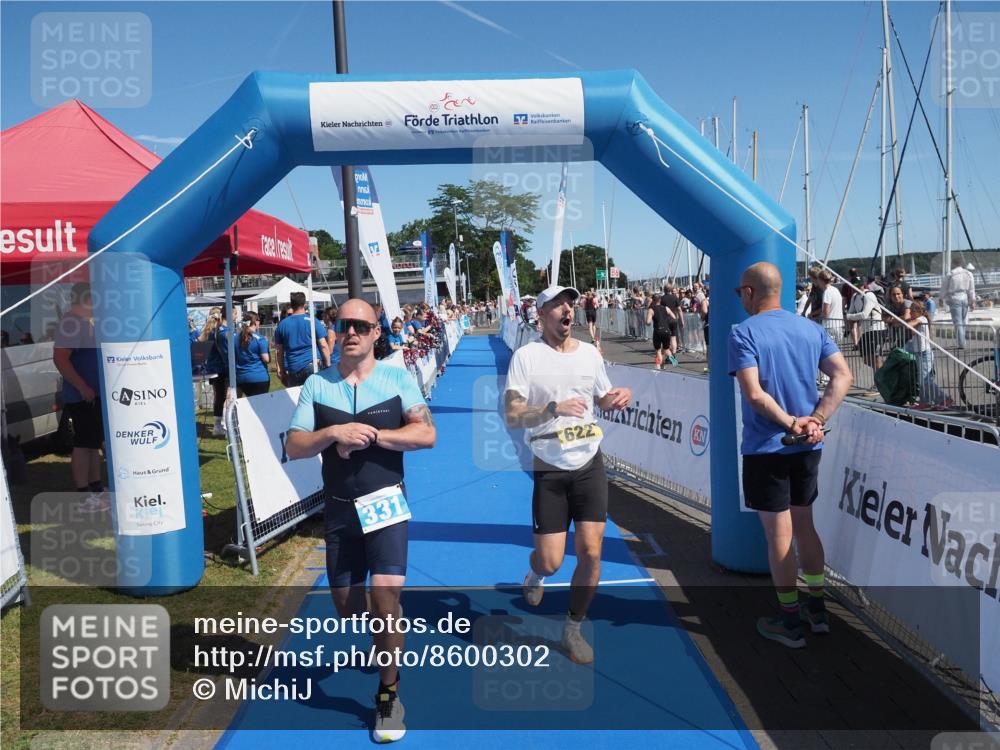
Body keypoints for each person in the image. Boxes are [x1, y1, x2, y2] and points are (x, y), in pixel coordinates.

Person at [285, 299, 435, 743]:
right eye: (343, 324)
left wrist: (373, 436)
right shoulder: (317, 384)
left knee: (383, 601)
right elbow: (294, 445)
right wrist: (333, 433)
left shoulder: (396, 378)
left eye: (360, 325)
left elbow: (427, 433)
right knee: (350, 609)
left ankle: (388, 695)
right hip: (339, 509)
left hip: (386, 504)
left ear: (375, 334)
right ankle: (388, 620)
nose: (351, 331)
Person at [504, 285, 632, 663]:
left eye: (570, 303)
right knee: (551, 561)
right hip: (550, 467)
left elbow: (602, 398)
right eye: (558, 304)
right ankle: (535, 575)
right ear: (541, 314)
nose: (567, 309)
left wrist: (617, 397)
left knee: (592, 552)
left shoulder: (590, 354)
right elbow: (513, 414)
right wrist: (552, 409)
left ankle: (573, 630)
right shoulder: (527, 357)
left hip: (589, 462)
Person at [728, 262, 853, 648]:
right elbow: (843, 376)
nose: (739, 298)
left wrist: (790, 424)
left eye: (738, 292)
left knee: (779, 536)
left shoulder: (742, 332)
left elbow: (754, 394)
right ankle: (817, 610)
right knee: (805, 527)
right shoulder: (810, 329)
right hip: (807, 446)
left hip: (770, 447)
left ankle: (789, 621)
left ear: (749, 291)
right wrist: (813, 419)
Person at [53, 282, 108, 512]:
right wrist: (82, 387)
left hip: (91, 395)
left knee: (92, 443)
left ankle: (95, 489)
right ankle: (84, 496)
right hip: (82, 396)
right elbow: (60, 358)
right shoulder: (71, 323)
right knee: (84, 444)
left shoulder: (83, 323)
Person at [274, 292, 331, 386]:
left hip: (293, 368)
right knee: (315, 398)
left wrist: (280, 370)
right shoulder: (312, 321)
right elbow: (323, 345)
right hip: (312, 365)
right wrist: (328, 365)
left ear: (292, 305)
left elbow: (279, 351)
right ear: (305, 305)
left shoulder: (282, 325)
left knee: (298, 398)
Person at [905, 301, 951, 410]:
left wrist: (906, 316)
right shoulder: (918, 321)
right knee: (923, 381)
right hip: (920, 353)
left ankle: (945, 398)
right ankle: (925, 401)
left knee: (925, 381)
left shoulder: (921, 319)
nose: (910, 312)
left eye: (912, 311)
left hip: (925, 354)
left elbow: (909, 325)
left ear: (918, 311)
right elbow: (912, 331)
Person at [196, 306, 229, 436]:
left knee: (219, 397)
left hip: (212, 369)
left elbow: (198, 344)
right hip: (221, 368)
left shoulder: (207, 332)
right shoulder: (218, 332)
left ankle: (217, 425)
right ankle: (223, 426)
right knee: (225, 397)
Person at [845, 280, 886, 372]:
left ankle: (879, 382)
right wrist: (850, 316)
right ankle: (883, 372)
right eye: (855, 286)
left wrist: (849, 317)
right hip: (866, 331)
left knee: (876, 359)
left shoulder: (869, 295)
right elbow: (851, 311)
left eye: (860, 285)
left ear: (863, 286)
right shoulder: (854, 297)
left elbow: (864, 314)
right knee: (866, 360)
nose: (858, 288)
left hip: (877, 329)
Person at [941, 257, 975, 350]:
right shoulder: (968, 273)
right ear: (962, 264)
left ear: (953, 263)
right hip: (964, 298)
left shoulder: (950, 274)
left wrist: (942, 298)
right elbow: (971, 290)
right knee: (963, 321)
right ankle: (962, 341)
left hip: (954, 298)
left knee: (958, 322)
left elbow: (944, 289)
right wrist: (972, 301)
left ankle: (961, 343)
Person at [235, 312, 271, 397]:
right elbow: (266, 359)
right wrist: (267, 347)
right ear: (255, 322)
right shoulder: (260, 339)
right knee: (260, 408)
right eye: (259, 320)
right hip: (258, 377)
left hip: (242, 378)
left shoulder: (235, 338)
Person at [646, 293, 677, 369]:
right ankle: (671, 357)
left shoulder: (651, 309)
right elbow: (674, 317)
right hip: (666, 330)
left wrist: (647, 322)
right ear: (660, 300)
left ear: (653, 300)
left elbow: (648, 322)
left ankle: (658, 368)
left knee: (658, 351)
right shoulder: (666, 308)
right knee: (666, 349)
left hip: (658, 331)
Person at [816, 269, 844, 343]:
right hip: (839, 325)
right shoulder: (836, 290)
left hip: (829, 326)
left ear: (821, 280)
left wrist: (818, 318)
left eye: (818, 280)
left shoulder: (827, 292)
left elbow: (826, 312)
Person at [884, 285, 913, 351]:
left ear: (903, 294)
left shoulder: (907, 303)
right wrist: (899, 321)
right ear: (890, 296)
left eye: (898, 294)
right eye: (893, 294)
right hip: (899, 338)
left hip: (912, 337)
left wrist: (892, 320)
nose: (896, 296)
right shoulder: (889, 306)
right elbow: (884, 318)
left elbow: (906, 317)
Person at [660, 283, 683, 363]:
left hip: (665, 320)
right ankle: (673, 356)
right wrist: (682, 320)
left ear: (664, 289)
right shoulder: (675, 298)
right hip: (674, 319)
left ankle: (668, 356)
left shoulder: (661, 299)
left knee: (666, 339)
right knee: (673, 338)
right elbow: (679, 310)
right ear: (671, 289)